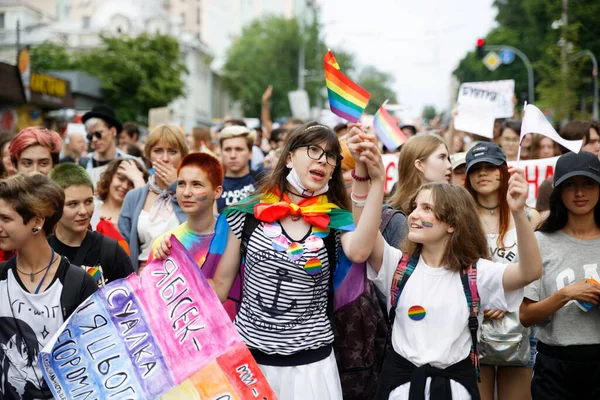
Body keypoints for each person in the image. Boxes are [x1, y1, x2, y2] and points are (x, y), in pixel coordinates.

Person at [167, 122, 379, 399]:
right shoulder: (245, 213)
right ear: (289, 157)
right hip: (249, 367)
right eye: (313, 150)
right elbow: (217, 287)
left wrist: (375, 182)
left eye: (330, 156)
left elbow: (360, 252)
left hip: (311, 370)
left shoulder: (335, 220)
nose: (322, 160)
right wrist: (168, 264)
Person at [346, 127, 542, 399]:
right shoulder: (396, 266)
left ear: (452, 223)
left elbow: (530, 271)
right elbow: (362, 226)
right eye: (415, 207)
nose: (414, 215)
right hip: (400, 390)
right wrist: (363, 171)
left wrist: (519, 213)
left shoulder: (476, 274)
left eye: (426, 208)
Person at [0, 173, 97, 399]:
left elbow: (95, 360)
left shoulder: (78, 283)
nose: (0, 226)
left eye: (5, 219)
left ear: (37, 221)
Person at [464, 142, 541, 400]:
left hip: (516, 327)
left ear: (504, 172)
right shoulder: (460, 218)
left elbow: (537, 270)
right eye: (476, 169)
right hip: (472, 325)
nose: (482, 174)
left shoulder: (530, 216)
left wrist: (509, 302)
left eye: (490, 167)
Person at [520, 151, 600, 399]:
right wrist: (565, 294)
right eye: (570, 185)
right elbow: (525, 316)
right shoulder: (541, 241)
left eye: (588, 183)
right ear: (558, 191)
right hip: (553, 369)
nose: (579, 193)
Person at [47, 163, 134, 287]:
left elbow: (133, 298)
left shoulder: (111, 251)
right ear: (54, 206)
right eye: (73, 204)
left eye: (88, 201)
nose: (83, 211)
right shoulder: (42, 252)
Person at [118, 124, 188, 272]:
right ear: (149, 155)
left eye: (172, 151)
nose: (165, 158)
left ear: (183, 156)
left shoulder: (194, 193)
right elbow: (123, 246)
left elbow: (202, 234)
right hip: (143, 280)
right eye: (158, 151)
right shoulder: (134, 197)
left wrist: (178, 186)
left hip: (182, 278)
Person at [388, 134, 451, 214]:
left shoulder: (455, 204)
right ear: (419, 165)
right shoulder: (393, 215)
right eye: (441, 157)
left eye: (448, 158)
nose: (449, 165)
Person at [80, 105, 132, 185]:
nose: (94, 140)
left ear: (113, 131)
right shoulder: (83, 164)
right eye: (90, 136)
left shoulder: (131, 163)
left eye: (98, 134)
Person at [92, 158, 148, 229]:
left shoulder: (137, 217)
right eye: (121, 179)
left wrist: (138, 179)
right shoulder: (90, 211)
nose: (125, 186)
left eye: (132, 183)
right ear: (109, 178)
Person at [217, 125, 259, 212]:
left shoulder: (263, 183)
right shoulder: (213, 185)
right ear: (221, 152)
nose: (233, 155)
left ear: (250, 153)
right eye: (228, 149)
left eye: (239, 149)